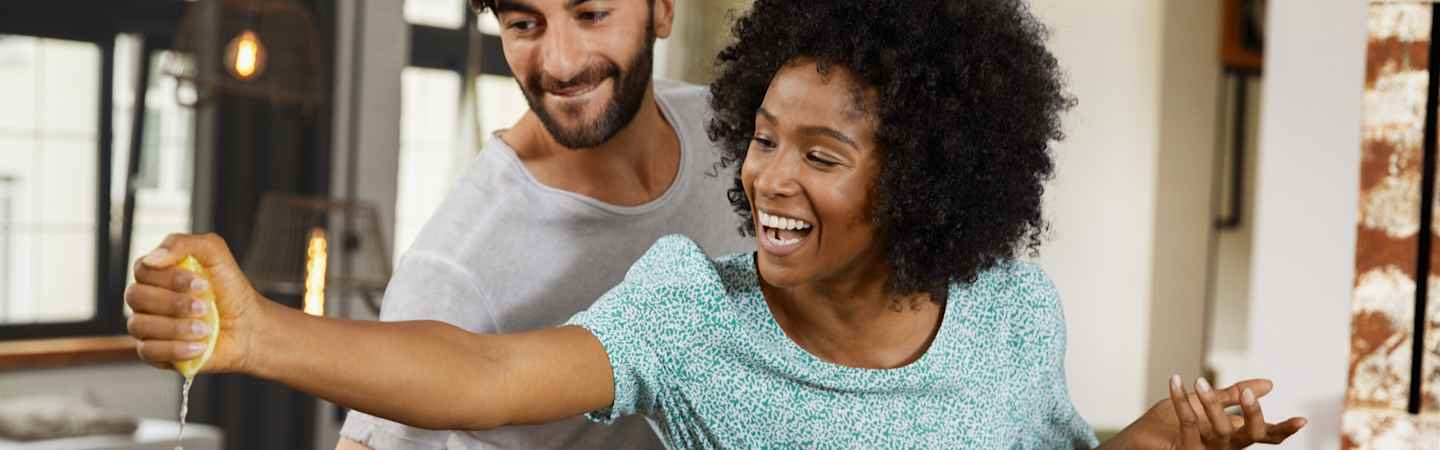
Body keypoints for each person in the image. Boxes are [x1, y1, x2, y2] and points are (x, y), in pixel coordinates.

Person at [124, 0, 1308, 447]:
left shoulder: (1010, 309)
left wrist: (1156, 441)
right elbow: (482, 373)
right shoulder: (689, 311)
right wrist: (257, 334)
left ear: (927, 179)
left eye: (821, 156)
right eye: (765, 139)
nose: (766, 180)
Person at [344, 0, 749, 448]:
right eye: (524, 24)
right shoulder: (452, 269)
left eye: (592, 15)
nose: (561, 64)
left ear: (664, 10)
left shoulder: (736, 135)